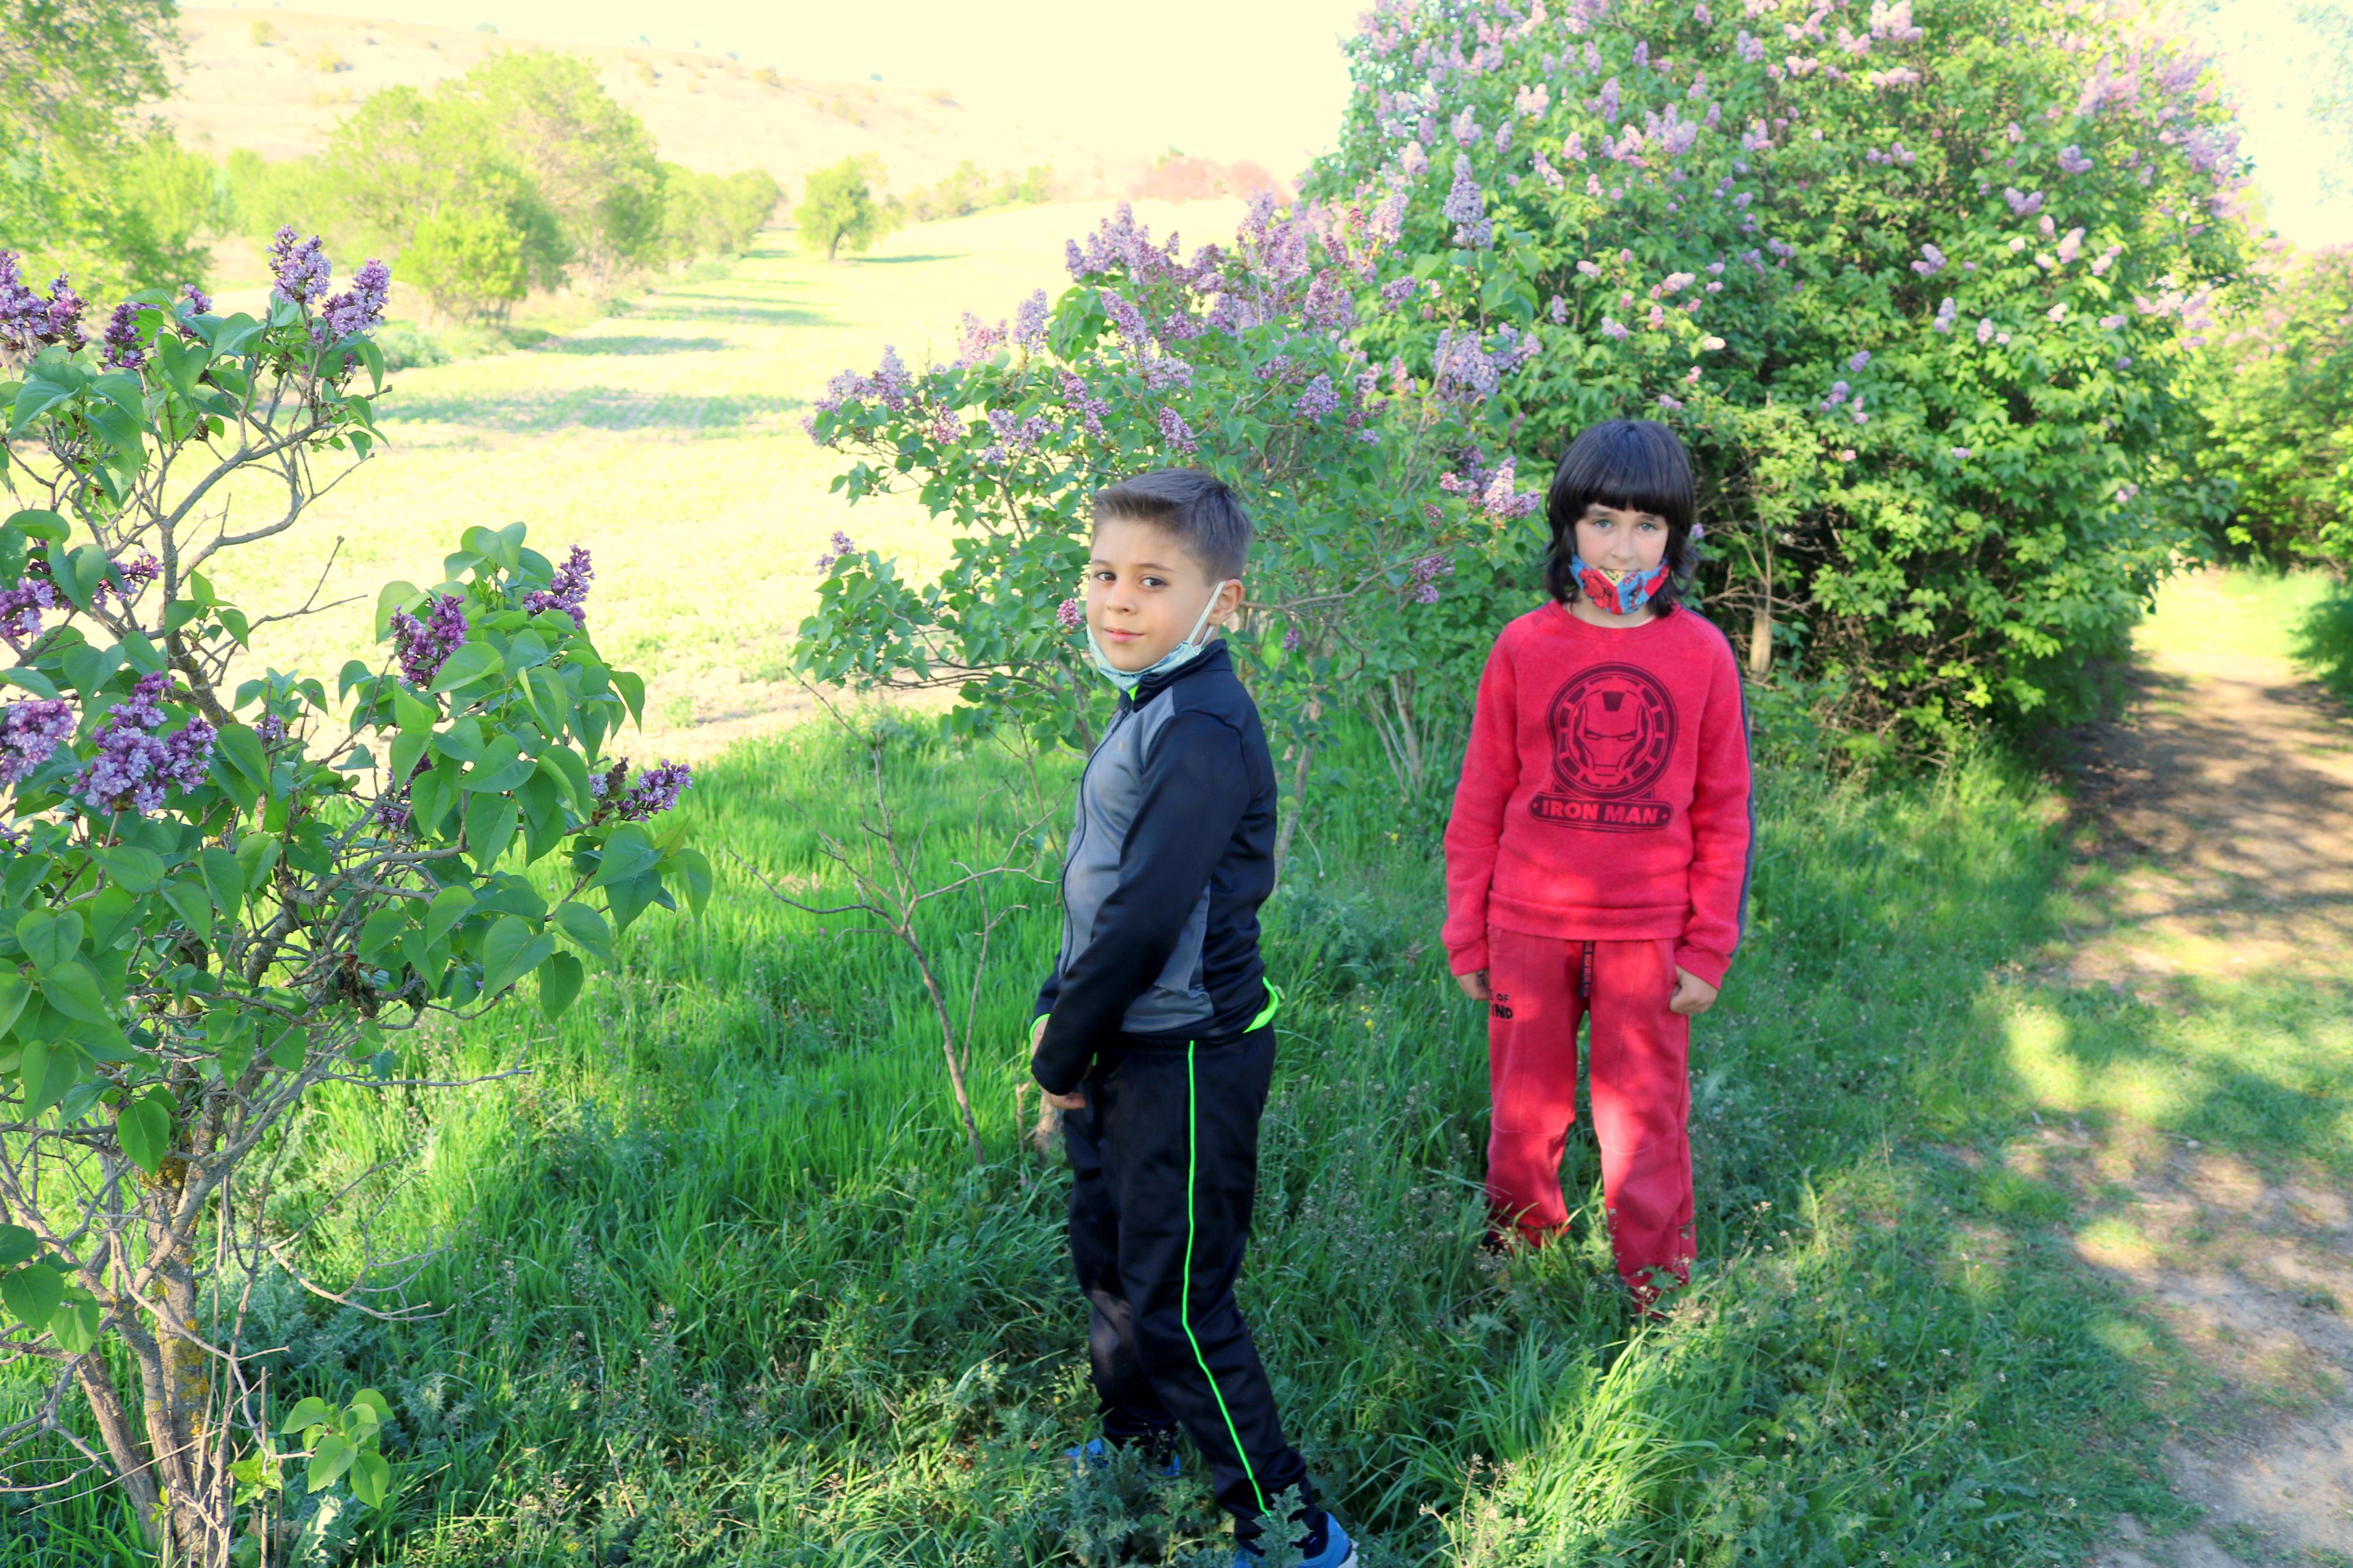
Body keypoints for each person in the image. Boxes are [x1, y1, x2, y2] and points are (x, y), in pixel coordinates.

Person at [1031, 469, 1355, 1567]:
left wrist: (1059, 1056)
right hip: (1123, 1040)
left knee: (1177, 1294)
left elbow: (1147, 916)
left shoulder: (1206, 729)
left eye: (1154, 582)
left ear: (1226, 604)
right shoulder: (1155, 706)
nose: (1118, 602)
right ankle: (1144, 1439)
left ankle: (1294, 1530)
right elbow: (1099, 900)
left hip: (1186, 1058)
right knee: (1109, 1258)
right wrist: (1059, 1021)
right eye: (1103, 573)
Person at [1441, 419, 1753, 1309]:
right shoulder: (1524, 647)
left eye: (1647, 526)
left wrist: (1708, 946)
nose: (1624, 544)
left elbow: (1723, 811)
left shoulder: (1701, 654)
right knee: (1524, 1113)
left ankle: (1655, 1285)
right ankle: (1523, 1265)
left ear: (1677, 537)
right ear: (1567, 526)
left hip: (1650, 936)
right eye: (1605, 521)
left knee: (1646, 1119)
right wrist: (1468, 931)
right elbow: (1480, 801)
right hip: (1527, 925)